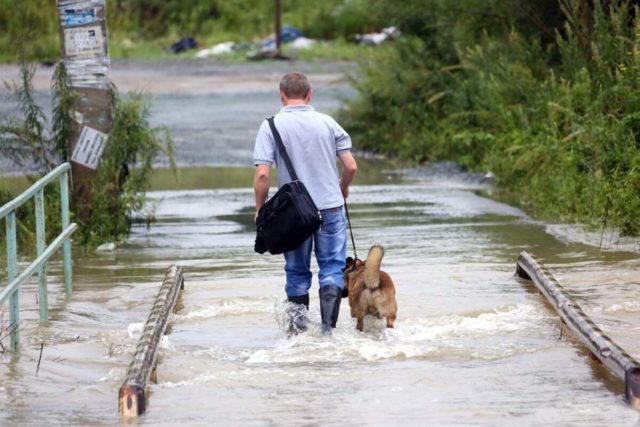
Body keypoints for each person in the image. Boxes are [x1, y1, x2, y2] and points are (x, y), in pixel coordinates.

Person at [253, 72, 357, 334]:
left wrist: (260, 210)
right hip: (331, 206)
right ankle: (328, 333)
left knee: (297, 271)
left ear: (281, 95)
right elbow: (351, 167)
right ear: (310, 95)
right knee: (332, 268)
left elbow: (263, 174)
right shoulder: (328, 123)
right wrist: (342, 187)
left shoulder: (271, 126)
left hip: (295, 213)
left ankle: (297, 336)